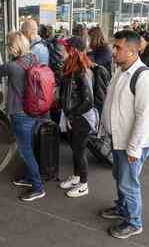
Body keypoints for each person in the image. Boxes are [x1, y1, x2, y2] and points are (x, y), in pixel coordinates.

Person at [99, 30, 149, 239]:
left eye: (118, 48)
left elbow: (144, 117)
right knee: (120, 177)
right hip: (119, 140)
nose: (113, 51)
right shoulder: (121, 70)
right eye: (113, 46)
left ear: (133, 51)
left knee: (128, 182)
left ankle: (134, 222)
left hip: (133, 144)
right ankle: (122, 208)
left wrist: (133, 147)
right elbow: (113, 103)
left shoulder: (145, 78)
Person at [0, 31, 45, 201]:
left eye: (9, 47)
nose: (8, 50)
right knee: (29, 147)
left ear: (13, 47)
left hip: (19, 113)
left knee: (26, 151)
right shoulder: (33, 59)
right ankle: (29, 178)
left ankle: (38, 187)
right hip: (33, 111)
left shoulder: (13, 66)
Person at [59, 37, 97, 198]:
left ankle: (83, 184)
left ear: (72, 50)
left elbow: (89, 101)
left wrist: (72, 115)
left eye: (64, 48)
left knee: (79, 151)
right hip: (74, 116)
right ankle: (76, 177)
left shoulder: (82, 70)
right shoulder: (72, 67)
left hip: (81, 118)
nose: (61, 51)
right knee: (75, 149)